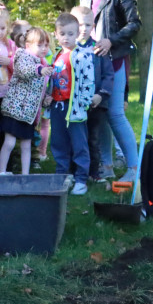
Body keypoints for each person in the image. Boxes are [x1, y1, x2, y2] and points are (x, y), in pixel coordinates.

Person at [79, 0, 141, 183]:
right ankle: (106, 165)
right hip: (90, 63)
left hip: (114, 61)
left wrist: (110, 41)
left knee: (115, 113)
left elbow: (134, 25)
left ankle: (134, 168)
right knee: (100, 113)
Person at [47, 13, 96, 195]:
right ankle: (62, 176)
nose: (66, 38)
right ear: (56, 34)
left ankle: (81, 178)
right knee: (59, 142)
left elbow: (88, 81)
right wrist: (48, 96)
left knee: (78, 143)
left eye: (70, 34)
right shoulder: (56, 56)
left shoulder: (82, 56)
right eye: (62, 34)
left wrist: (83, 103)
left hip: (74, 107)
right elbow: (53, 79)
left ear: (77, 34)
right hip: (57, 106)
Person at [0, 27, 54, 174]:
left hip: (28, 113)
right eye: (40, 45)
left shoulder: (43, 63)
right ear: (28, 45)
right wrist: (39, 70)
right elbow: (24, 70)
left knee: (26, 145)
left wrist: (45, 100)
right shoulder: (22, 55)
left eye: (46, 45)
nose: (44, 48)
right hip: (15, 109)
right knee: (9, 142)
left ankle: (25, 175)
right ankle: (2, 172)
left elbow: (39, 90)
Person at [73, 6, 113, 183]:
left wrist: (101, 94)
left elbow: (108, 74)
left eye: (87, 24)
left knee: (93, 138)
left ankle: (94, 172)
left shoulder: (98, 49)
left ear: (93, 26)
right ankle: (72, 171)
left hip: (95, 103)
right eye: (79, 24)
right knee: (74, 139)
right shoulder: (69, 49)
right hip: (73, 104)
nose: (83, 28)